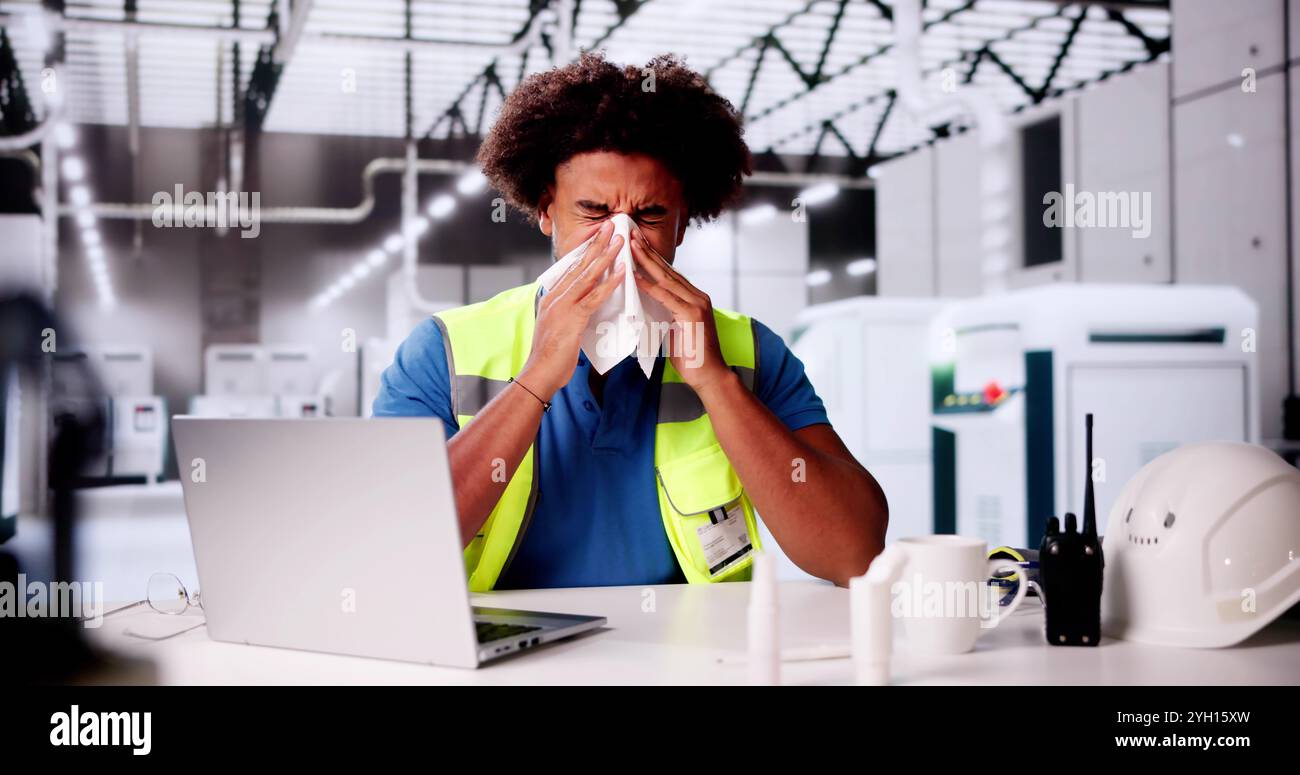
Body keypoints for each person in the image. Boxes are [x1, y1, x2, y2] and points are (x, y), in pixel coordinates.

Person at [374, 52, 887, 589]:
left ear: (682, 225)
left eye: (650, 216)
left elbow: (852, 554)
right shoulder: (444, 351)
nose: (622, 241)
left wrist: (716, 382)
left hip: (696, 659)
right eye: (594, 212)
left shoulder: (751, 352)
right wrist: (538, 378)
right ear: (547, 210)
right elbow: (392, 547)